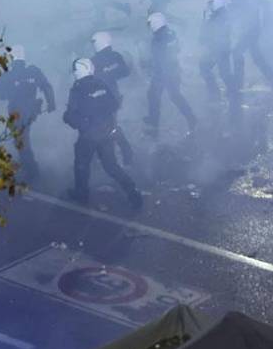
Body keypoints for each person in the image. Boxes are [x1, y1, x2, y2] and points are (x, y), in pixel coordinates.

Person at [63, 58, 142, 209]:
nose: (73, 74)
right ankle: (133, 192)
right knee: (111, 166)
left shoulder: (77, 89)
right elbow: (114, 104)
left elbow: (72, 116)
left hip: (88, 136)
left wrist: (69, 118)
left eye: (74, 71)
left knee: (81, 165)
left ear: (79, 71)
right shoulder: (100, 83)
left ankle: (81, 194)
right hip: (106, 133)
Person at [0, 47, 55, 180]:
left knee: (21, 141)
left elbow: (0, 95)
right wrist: (51, 103)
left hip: (17, 114)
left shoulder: (8, 74)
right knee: (22, 139)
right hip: (31, 112)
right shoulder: (33, 71)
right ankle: (27, 164)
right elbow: (46, 86)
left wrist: (10, 88)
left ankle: (32, 170)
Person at [144, 12, 197, 137]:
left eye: (150, 24)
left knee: (157, 96)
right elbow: (177, 49)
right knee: (170, 96)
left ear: (155, 23)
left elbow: (158, 58)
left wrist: (151, 69)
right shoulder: (171, 33)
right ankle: (190, 117)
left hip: (163, 73)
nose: (149, 26)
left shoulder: (158, 39)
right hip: (172, 70)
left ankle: (154, 125)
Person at [228, 0, 273, 90]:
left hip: (251, 30)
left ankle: (238, 84)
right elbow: (233, 11)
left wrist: (265, 21)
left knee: (237, 53)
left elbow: (266, 3)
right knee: (257, 58)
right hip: (247, 30)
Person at [91, 31, 135, 163]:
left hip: (104, 99)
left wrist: (107, 72)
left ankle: (123, 153)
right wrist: (110, 72)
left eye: (94, 42)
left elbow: (124, 71)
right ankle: (121, 153)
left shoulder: (94, 61)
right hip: (112, 97)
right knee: (108, 125)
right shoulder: (114, 56)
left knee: (108, 127)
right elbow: (125, 71)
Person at [199, 0, 237, 103]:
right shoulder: (217, 15)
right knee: (208, 68)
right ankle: (226, 92)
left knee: (221, 72)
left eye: (212, 5)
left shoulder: (221, 17)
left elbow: (213, 32)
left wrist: (205, 21)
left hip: (220, 49)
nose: (210, 7)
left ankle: (227, 93)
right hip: (216, 48)